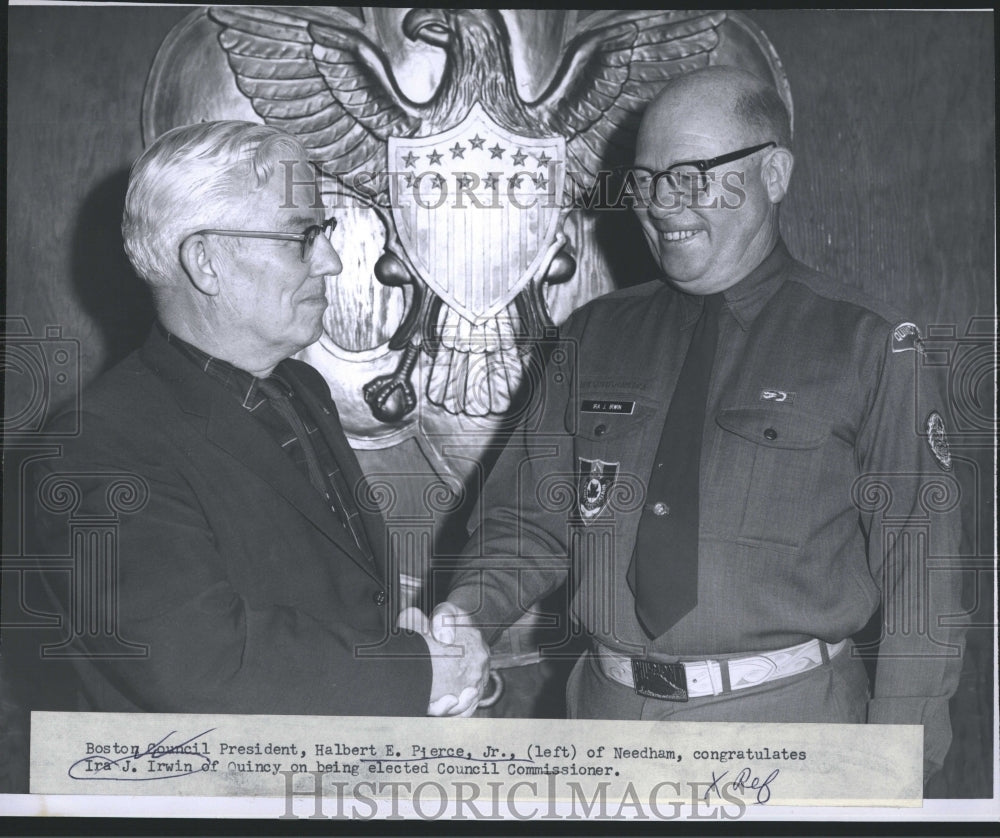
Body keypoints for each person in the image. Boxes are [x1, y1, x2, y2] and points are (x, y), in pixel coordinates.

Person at [437, 66, 966, 783]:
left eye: (690, 176)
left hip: (790, 738)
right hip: (604, 731)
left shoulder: (869, 347)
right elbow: (528, 524)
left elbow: (920, 582)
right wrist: (466, 620)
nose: (661, 205)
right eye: (646, 180)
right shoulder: (593, 336)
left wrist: (900, 767)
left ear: (773, 173)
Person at [6, 121, 487, 723]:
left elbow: (337, 587)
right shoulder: (96, 446)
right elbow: (201, 665)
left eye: (325, 233)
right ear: (206, 261)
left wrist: (405, 643)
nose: (332, 261)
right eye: (301, 237)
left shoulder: (300, 388)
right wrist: (416, 671)